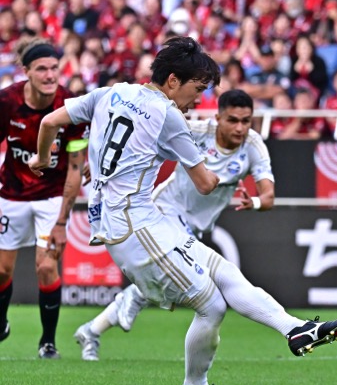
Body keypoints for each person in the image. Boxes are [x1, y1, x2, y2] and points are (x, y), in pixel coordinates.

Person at [29, 37, 337, 385]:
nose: (199, 100)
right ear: (172, 81)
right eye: (197, 89)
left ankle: (295, 329)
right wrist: (221, 177)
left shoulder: (111, 92)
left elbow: (50, 121)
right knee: (212, 305)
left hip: (140, 217)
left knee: (224, 272)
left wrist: (42, 159)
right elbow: (205, 183)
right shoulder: (169, 117)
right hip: (133, 224)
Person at [73, 89, 275, 361]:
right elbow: (140, 133)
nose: (240, 128)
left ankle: (92, 330)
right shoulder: (197, 131)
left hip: (196, 224)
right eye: (232, 120)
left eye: (246, 121)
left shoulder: (253, 146)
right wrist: (102, 159)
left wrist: (256, 202)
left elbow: (269, 196)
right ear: (218, 118)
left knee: (163, 281)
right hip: (165, 210)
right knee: (201, 282)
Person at [0, 38, 87, 359]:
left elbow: (75, 168)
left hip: (52, 197)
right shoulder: (6, 101)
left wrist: (63, 221)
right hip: (10, 193)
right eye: (41, 69)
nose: (50, 75)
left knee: (47, 267)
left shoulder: (71, 106)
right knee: (2, 271)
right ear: (26, 72)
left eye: (54, 68)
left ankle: (48, 343)